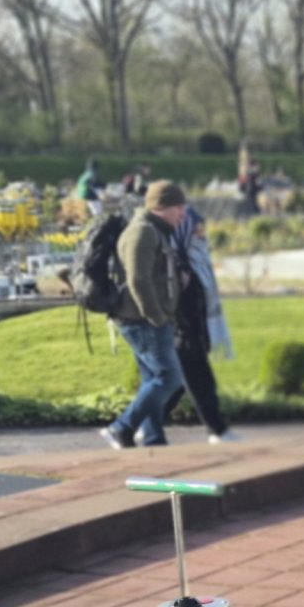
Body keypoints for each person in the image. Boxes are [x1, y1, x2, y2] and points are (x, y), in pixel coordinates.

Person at [100, 180, 189, 449]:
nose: (182, 214)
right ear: (161, 206)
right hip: (142, 320)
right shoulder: (142, 232)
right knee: (169, 378)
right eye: (178, 208)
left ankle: (153, 438)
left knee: (153, 379)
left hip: (145, 319)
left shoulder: (154, 231)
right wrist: (157, 318)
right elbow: (139, 281)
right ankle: (120, 428)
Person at [163, 203, 236, 443]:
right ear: (184, 232)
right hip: (184, 337)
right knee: (196, 384)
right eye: (197, 231)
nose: (201, 237)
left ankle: (135, 425)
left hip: (194, 337)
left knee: (176, 386)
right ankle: (217, 430)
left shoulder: (196, 263)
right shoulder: (179, 267)